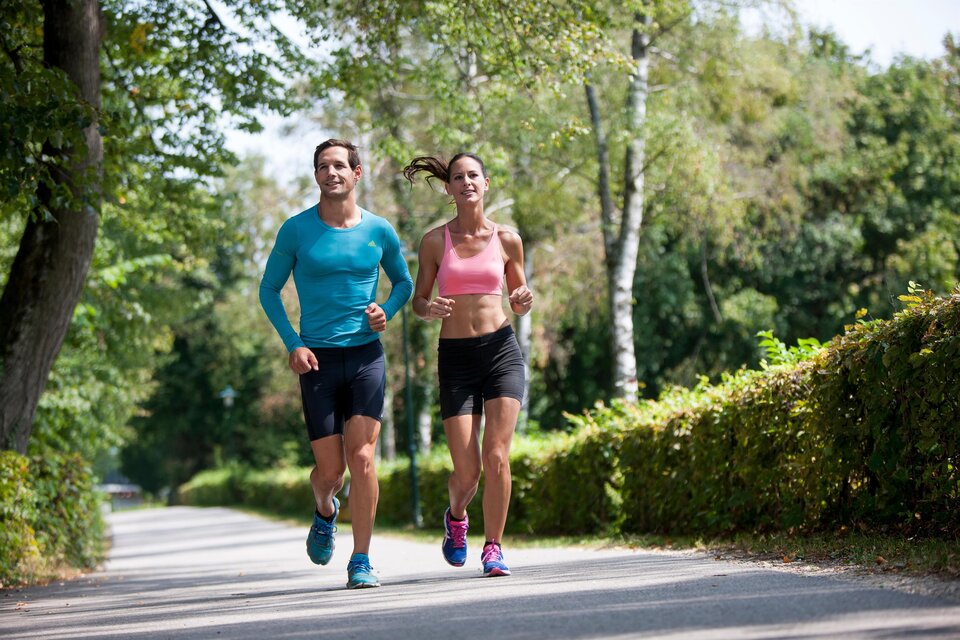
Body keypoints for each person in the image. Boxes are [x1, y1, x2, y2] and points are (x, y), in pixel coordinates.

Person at [260, 139, 413, 589]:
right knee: (330, 472)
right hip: (317, 361)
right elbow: (268, 290)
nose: (332, 172)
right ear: (316, 175)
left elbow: (403, 282)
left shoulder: (379, 230)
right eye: (323, 166)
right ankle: (325, 508)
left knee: (362, 458)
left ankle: (361, 559)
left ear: (357, 173)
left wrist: (387, 310)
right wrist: (293, 343)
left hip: (365, 355)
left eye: (340, 165)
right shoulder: (296, 230)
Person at [403, 152, 533, 577]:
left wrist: (522, 301)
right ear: (449, 188)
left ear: (486, 182)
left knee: (496, 456)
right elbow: (418, 301)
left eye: (473, 175)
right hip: (456, 358)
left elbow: (520, 295)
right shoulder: (434, 242)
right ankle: (456, 516)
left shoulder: (508, 239)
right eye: (457, 177)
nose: (466, 182)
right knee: (468, 470)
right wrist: (428, 308)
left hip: (500, 351)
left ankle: (493, 546)